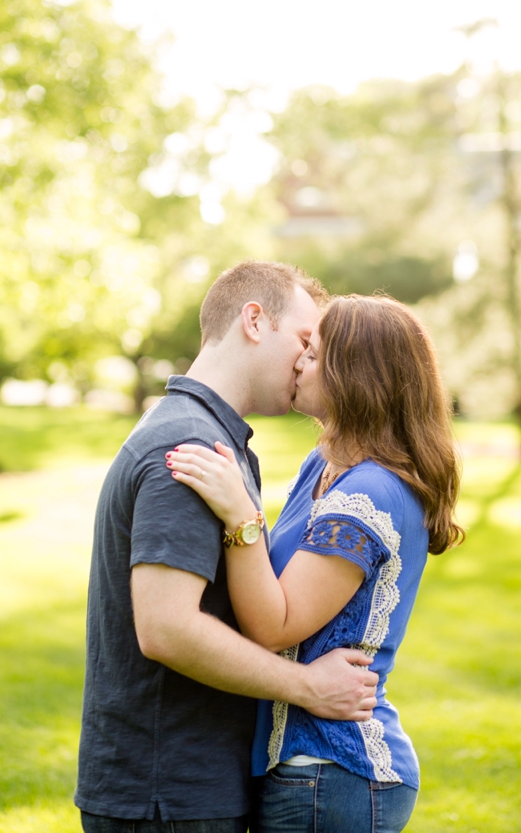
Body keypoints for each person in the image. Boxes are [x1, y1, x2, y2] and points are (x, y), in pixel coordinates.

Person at [77, 260, 382, 833]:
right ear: (253, 320)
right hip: (166, 793)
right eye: (303, 339)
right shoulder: (189, 448)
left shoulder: (208, 436)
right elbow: (166, 627)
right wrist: (309, 687)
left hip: (183, 786)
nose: (306, 360)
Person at [167, 294, 462, 833]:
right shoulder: (323, 465)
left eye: (315, 352)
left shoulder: (369, 493)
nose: (299, 360)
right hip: (302, 772)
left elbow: (273, 625)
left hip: (333, 772)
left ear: (355, 375)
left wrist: (241, 515)